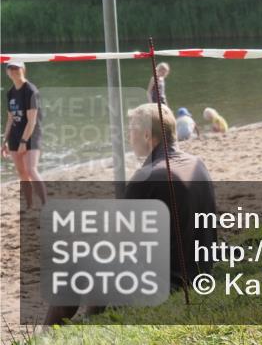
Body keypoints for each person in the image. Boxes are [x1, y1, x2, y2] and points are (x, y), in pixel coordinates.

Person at [45, 104, 217, 326]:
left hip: (169, 284)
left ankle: (45, 336)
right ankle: (93, 318)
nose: (129, 136)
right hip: (199, 273)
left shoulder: (147, 176)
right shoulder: (198, 164)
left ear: (147, 135)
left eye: (131, 130)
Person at [3, 61, 46, 209]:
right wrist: (4, 141)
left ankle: (45, 204)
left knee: (31, 169)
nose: (14, 70)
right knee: (22, 173)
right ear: (7, 72)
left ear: (23, 69)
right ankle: (29, 205)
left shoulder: (31, 90)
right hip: (15, 135)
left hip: (31, 135)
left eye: (17, 67)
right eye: (11, 68)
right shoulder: (10, 93)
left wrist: (23, 141)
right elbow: (10, 119)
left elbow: (32, 121)